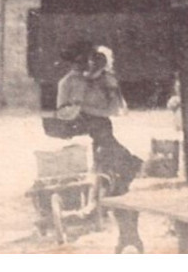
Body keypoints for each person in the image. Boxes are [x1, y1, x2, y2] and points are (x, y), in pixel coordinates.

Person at [54, 41, 145, 253]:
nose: (85, 64)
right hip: (95, 137)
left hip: (111, 134)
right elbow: (62, 114)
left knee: (118, 183)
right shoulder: (66, 83)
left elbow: (116, 109)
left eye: (87, 60)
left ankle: (123, 231)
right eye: (80, 61)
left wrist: (84, 107)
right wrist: (76, 111)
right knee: (113, 183)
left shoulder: (105, 80)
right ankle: (124, 233)